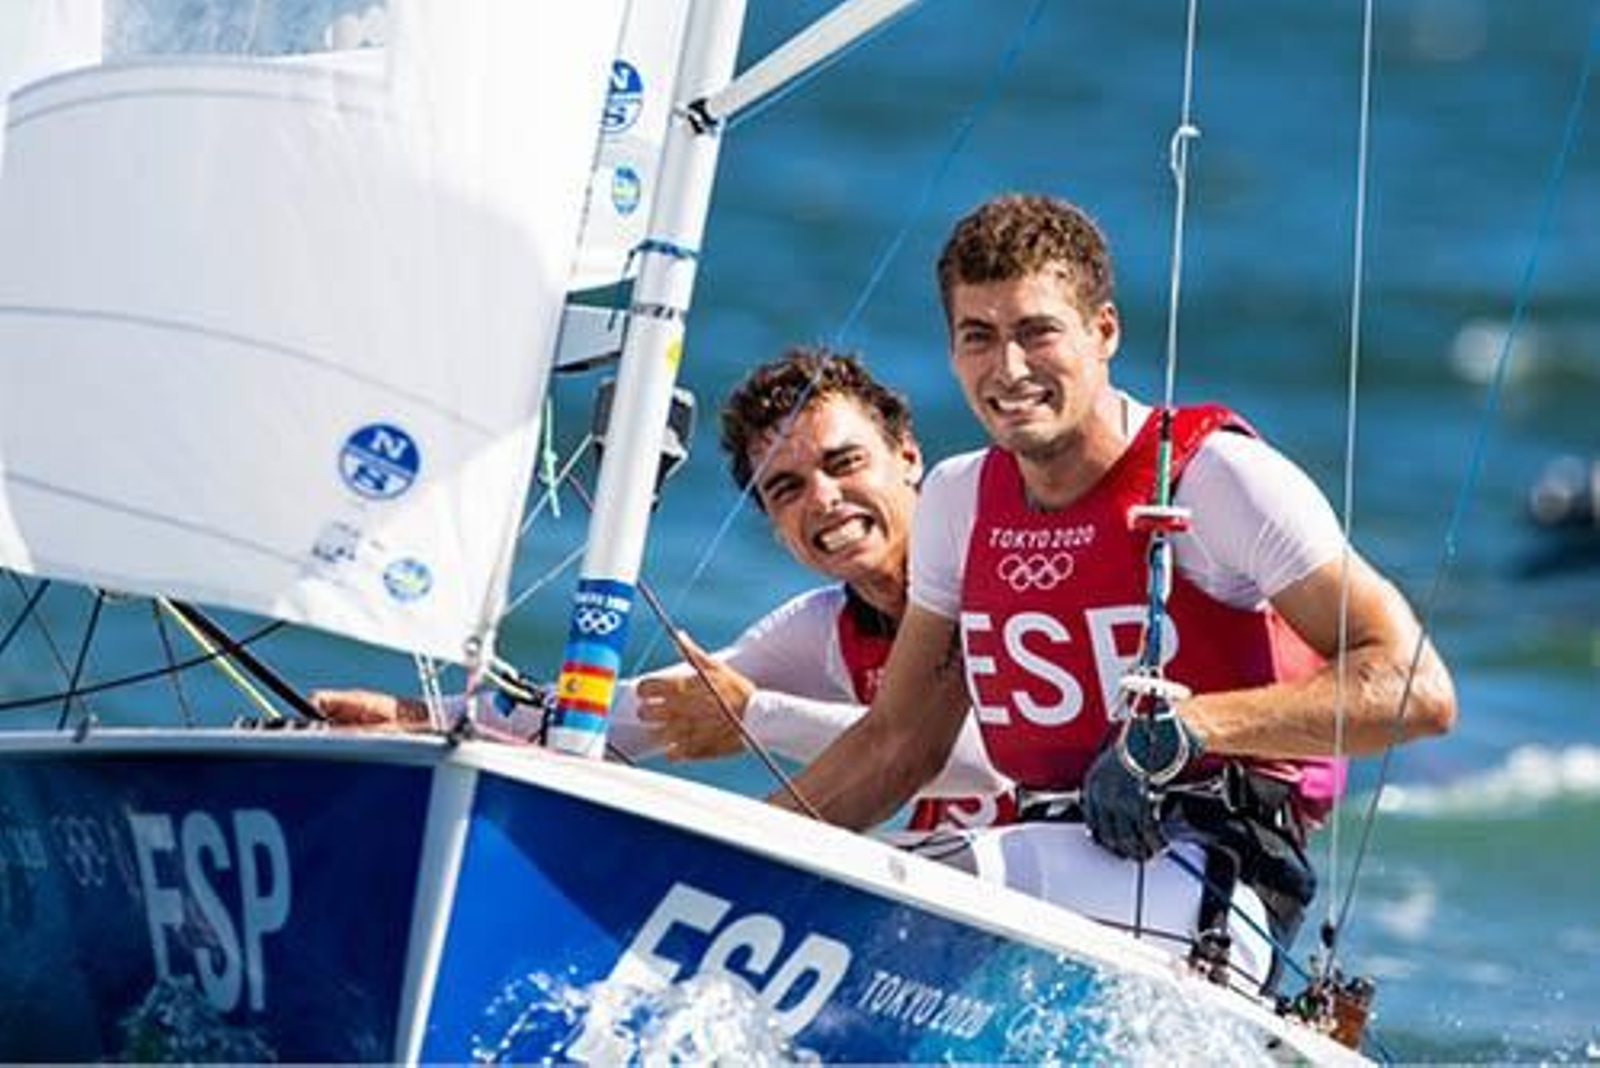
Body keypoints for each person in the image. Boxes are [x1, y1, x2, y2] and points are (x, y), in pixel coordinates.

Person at [769, 193, 1458, 987]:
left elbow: (1417, 690)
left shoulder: (1217, 478)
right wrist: (731, 850)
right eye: (978, 338)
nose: (1009, 369)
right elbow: (898, 745)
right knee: (815, 892)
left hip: (1210, 878)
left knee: (882, 911)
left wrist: (1190, 728)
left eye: (1037, 332)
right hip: (1047, 862)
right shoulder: (959, 499)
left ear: (1104, 333)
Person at [313, 346, 1014, 833]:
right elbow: (623, 717)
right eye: (787, 488)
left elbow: (988, 761)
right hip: (955, 885)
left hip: (1081, 885)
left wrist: (757, 716)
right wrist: (424, 723)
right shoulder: (821, 628)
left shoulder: (1002, 561)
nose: (824, 500)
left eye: (845, 462)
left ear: (910, 457)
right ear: (774, 525)